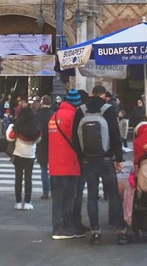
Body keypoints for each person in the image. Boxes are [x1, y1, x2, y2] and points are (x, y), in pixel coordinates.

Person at [73, 84, 128, 246]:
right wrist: (118, 158)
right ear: (103, 95)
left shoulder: (80, 110)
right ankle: (120, 232)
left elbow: (74, 138)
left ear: (92, 94)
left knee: (91, 196)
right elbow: (115, 135)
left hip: (88, 160)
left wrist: (81, 157)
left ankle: (95, 232)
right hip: (105, 160)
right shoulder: (108, 109)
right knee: (113, 196)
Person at [48, 90, 87, 239]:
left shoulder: (54, 116)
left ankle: (57, 226)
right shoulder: (73, 116)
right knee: (69, 197)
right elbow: (78, 139)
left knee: (57, 198)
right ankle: (65, 227)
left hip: (55, 164)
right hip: (69, 163)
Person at [6, 106, 41, 209]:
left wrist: (9, 128)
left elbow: (10, 138)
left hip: (18, 154)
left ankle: (18, 202)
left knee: (18, 178)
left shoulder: (18, 127)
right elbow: (39, 139)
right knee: (28, 179)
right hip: (30, 155)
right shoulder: (35, 127)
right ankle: (27, 202)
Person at [36, 94, 54, 200]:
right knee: (52, 169)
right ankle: (53, 189)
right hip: (52, 143)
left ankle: (45, 192)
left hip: (41, 143)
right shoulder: (53, 115)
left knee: (43, 169)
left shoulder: (37, 115)